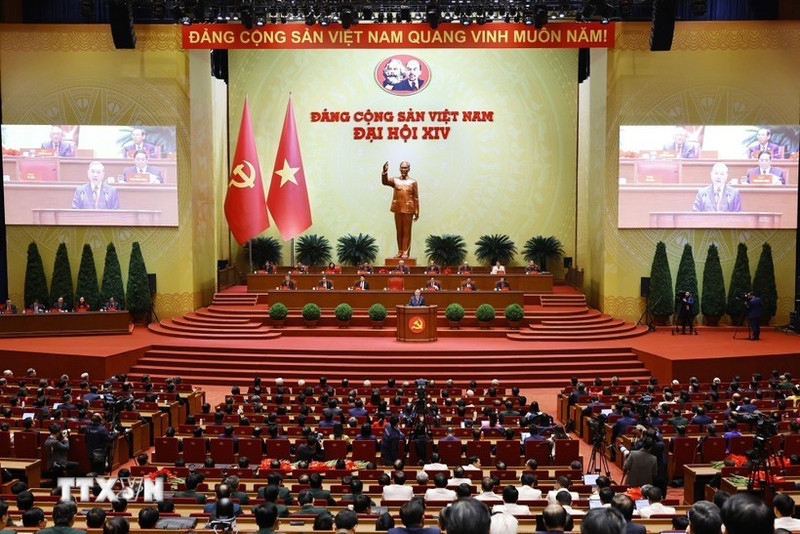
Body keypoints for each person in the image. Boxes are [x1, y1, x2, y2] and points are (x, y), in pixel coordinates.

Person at [382, 161, 419, 259]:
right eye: (402, 168)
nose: (403, 170)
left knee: (407, 231)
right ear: (399, 169)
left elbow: (415, 197)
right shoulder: (395, 180)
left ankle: (406, 252)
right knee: (399, 231)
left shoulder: (413, 182)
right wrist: (384, 172)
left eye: (405, 168)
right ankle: (400, 251)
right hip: (397, 208)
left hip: (408, 210)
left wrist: (417, 211)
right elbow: (385, 182)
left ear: (409, 169)